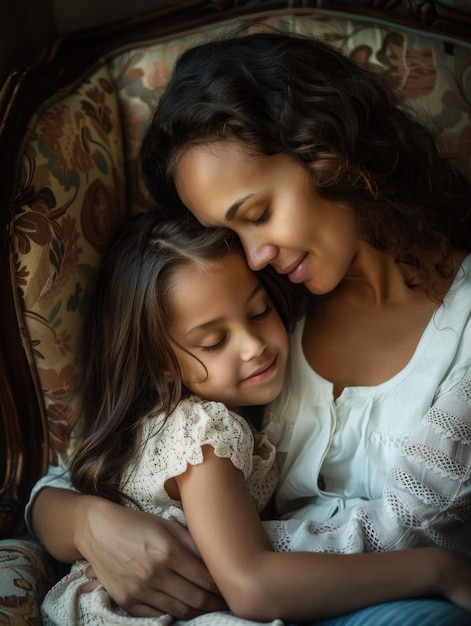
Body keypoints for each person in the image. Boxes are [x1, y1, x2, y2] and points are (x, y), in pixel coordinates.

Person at [28, 29, 471, 625]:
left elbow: (416, 538)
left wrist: (240, 566)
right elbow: (91, 463)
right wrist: (87, 522)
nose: (254, 256)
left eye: (258, 214)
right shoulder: (261, 302)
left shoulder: (459, 326)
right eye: (231, 236)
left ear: (328, 149)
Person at [40, 211, 471, 626]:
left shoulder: (186, 419)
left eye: (259, 312)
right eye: (214, 341)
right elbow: (252, 585)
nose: (252, 346)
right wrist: (440, 569)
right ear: (161, 366)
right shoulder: (203, 430)